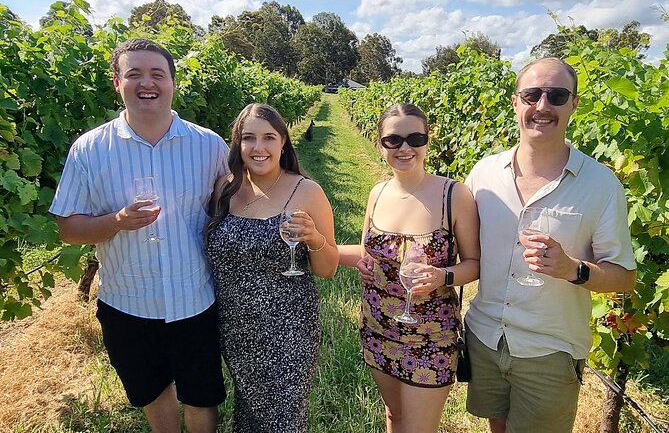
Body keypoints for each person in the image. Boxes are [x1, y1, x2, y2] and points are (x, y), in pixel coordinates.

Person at [49, 38, 228, 433]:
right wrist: (117, 221)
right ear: (117, 83)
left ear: (173, 83)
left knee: (202, 395)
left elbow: (234, 207)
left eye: (157, 74)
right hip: (126, 304)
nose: (146, 83)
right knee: (151, 391)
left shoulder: (210, 145)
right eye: (134, 74)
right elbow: (67, 228)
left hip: (193, 298)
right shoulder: (89, 150)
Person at [464, 57, 637, 433]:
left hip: (550, 350)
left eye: (557, 95)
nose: (542, 106)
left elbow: (624, 277)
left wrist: (572, 269)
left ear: (574, 104)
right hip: (484, 336)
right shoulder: (484, 173)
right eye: (532, 94)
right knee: (498, 425)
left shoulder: (601, 185)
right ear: (516, 101)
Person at [339, 103, 480, 432]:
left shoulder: (453, 195)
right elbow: (368, 251)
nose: (405, 148)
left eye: (415, 138)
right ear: (380, 145)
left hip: (430, 337)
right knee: (395, 417)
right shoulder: (378, 192)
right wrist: (318, 246)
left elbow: (475, 264)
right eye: (393, 140)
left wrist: (442, 276)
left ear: (428, 142)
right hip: (377, 328)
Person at [205, 103, 338, 433]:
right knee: (249, 413)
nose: (258, 148)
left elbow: (328, 268)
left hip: (289, 328)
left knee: (283, 420)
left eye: (269, 137)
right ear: (238, 143)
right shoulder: (225, 188)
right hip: (235, 328)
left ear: (283, 142)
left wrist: (315, 239)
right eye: (249, 138)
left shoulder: (305, 191)